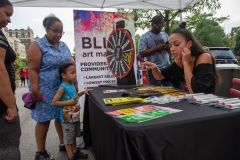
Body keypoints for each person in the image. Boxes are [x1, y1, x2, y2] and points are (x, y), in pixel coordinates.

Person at [27, 15, 73, 160]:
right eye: (55, 31)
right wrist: (34, 91)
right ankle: (40, 152)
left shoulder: (64, 45)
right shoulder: (38, 45)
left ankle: (64, 143)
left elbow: (69, 65)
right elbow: (33, 69)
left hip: (62, 88)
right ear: (47, 29)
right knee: (44, 119)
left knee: (62, 117)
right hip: (44, 90)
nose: (59, 34)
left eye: (61, 32)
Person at [142, 22, 220, 94]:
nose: (172, 49)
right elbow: (160, 76)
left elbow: (194, 90)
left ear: (189, 44)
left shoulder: (204, 57)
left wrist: (185, 62)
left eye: (176, 44)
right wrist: (155, 68)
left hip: (206, 106)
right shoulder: (179, 62)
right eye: (170, 46)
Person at [52, 63, 91, 160]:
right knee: (68, 139)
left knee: (73, 136)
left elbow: (75, 97)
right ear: (63, 75)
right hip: (67, 118)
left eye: (75, 72)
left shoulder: (72, 84)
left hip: (75, 116)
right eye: (72, 73)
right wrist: (69, 102)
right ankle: (71, 157)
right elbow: (54, 102)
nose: (75, 75)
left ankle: (75, 153)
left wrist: (82, 93)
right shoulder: (62, 87)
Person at [0, 0, 21, 159]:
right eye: (7, 14)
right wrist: (11, 105)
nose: (9, 20)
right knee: (8, 146)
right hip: (2, 106)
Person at [138, 15, 172, 87]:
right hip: (153, 69)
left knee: (171, 89)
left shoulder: (165, 35)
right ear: (152, 24)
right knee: (157, 92)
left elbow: (170, 51)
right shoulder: (144, 37)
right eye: (158, 27)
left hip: (167, 68)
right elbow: (141, 54)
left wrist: (168, 47)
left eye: (161, 27)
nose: (160, 29)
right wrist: (156, 48)